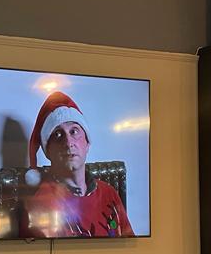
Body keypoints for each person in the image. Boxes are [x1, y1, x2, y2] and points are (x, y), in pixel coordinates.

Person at [20, 91, 134, 238]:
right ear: (48, 151)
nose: (68, 143)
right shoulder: (40, 204)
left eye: (74, 131)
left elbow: (130, 244)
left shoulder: (109, 193)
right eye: (58, 134)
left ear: (87, 143)